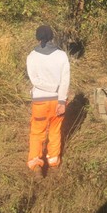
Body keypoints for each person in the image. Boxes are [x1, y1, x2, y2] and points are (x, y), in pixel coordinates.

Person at [26, 25, 70, 177]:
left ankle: (36, 163)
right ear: (52, 37)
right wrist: (62, 100)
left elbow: (35, 80)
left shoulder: (32, 56)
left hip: (40, 102)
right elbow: (65, 80)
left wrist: (51, 88)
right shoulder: (62, 55)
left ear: (37, 37)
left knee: (37, 132)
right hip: (58, 101)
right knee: (55, 131)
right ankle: (53, 161)